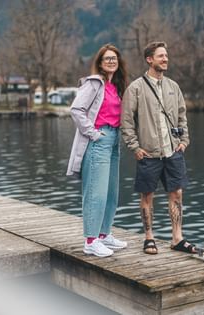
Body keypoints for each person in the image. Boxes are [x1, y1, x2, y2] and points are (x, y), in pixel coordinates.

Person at [121, 41, 196, 255]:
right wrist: (135, 147)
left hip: (173, 151)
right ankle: (149, 237)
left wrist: (184, 141)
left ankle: (177, 238)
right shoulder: (135, 88)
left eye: (166, 56)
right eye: (161, 56)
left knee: (177, 193)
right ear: (149, 59)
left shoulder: (173, 87)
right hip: (148, 153)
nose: (166, 59)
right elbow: (126, 122)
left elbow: (182, 116)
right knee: (147, 196)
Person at [67, 44, 128, 257]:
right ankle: (90, 241)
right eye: (107, 58)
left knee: (111, 192)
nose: (111, 61)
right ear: (100, 62)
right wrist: (93, 133)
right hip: (98, 140)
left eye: (114, 58)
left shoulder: (116, 86)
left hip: (113, 140)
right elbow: (76, 109)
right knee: (96, 193)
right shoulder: (94, 83)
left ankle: (104, 234)